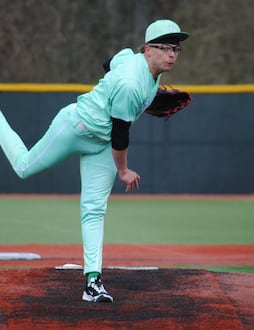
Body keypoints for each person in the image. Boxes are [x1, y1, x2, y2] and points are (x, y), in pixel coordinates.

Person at [0, 19, 189, 302]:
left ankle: (93, 282)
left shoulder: (136, 62)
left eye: (176, 48)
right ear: (148, 49)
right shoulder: (129, 84)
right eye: (165, 47)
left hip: (101, 144)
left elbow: (110, 61)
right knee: (25, 168)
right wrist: (123, 171)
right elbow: (120, 135)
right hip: (75, 127)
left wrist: (140, 97)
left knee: (94, 210)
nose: (172, 54)